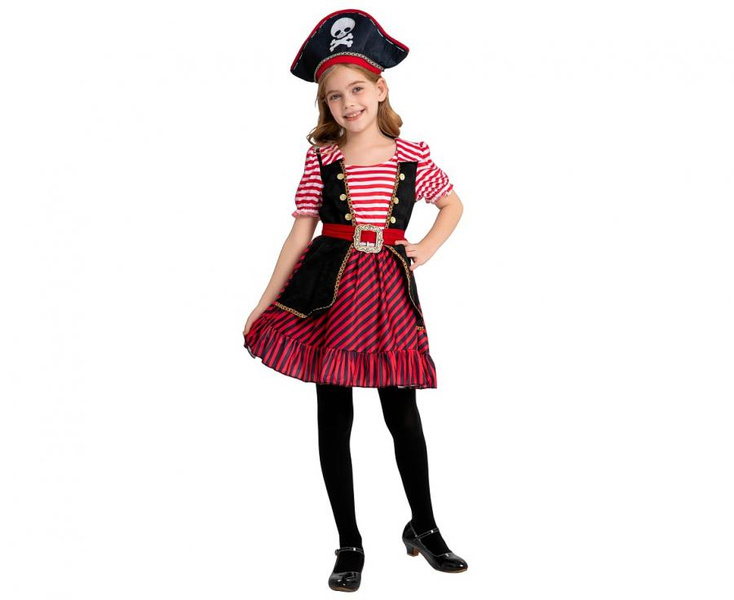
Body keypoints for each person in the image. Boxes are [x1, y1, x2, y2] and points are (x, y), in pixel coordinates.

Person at [242, 9, 467, 592]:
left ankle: (424, 526)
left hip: (387, 293)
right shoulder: (323, 157)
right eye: (335, 95)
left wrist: (424, 248)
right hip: (330, 293)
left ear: (380, 88)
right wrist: (265, 301)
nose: (348, 103)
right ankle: (349, 541)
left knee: (402, 412)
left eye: (358, 89)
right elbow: (301, 231)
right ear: (325, 104)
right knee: (334, 413)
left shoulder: (411, 155)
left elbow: (453, 205)